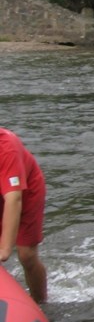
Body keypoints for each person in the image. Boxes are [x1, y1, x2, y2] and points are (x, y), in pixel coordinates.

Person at [0, 127, 47, 304]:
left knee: (26, 254)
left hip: (26, 191)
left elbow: (14, 199)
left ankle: (40, 303)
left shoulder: (6, 146)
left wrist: (4, 249)